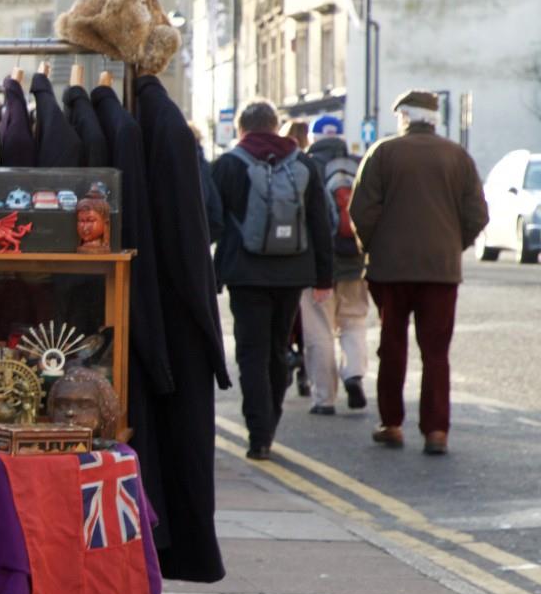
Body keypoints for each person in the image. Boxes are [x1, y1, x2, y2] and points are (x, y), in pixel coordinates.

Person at [350, 90, 489, 454]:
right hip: (440, 272)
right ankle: (436, 431)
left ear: (405, 117)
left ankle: (392, 423)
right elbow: (477, 215)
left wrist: (374, 248)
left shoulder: (382, 153)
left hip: (390, 270)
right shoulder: (458, 156)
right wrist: (450, 245)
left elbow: (361, 210)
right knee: (436, 351)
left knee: (392, 346)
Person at [206, 100, 334, 460]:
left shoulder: (229, 165)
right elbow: (320, 223)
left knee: (251, 352)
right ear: (276, 127)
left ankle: (258, 432)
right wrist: (324, 277)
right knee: (279, 349)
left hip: (245, 275)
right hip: (292, 273)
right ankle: (271, 420)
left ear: (242, 129)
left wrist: (212, 276)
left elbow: (211, 223)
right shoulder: (302, 164)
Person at [300, 115, 371, 415]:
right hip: (355, 260)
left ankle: (324, 398)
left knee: (319, 331)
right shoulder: (359, 163)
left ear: (314, 138)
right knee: (353, 321)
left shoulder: (304, 165)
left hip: (317, 264)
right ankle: (353, 372)